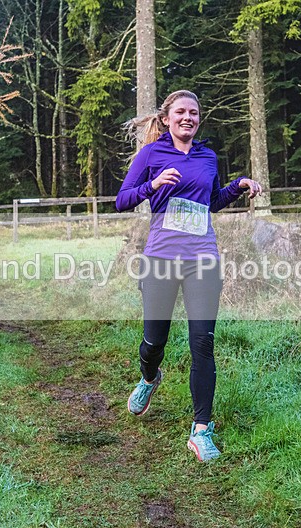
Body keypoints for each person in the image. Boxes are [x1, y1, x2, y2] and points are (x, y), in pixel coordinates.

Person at [116, 90, 261, 462]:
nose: (188, 117)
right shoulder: (151, 154)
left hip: (202, 259)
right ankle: (150, 378)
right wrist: (153, 185)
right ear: (166, 119)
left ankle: (201, 430)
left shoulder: (207, 156)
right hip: (161, 258)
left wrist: (239, 185)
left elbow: (210, 202)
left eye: (194, 113)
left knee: (202, 343)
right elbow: (122, 199)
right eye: (180, 112)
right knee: (154, 342)